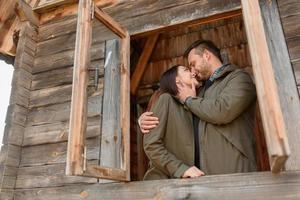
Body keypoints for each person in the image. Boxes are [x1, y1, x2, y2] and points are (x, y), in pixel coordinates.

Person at [140, 40, 257, 175]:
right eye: (189, 69)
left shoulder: (239, 78)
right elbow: (165, 95)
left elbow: (222, 110)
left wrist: (189, 100)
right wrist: (143, 119)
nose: (193, 72)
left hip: (236, 169)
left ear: (206, 55)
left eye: (193, 64)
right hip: (202, 176)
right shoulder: (198, 91)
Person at [143, 65, 205, 180]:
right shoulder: (166, 100)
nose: (193, 73)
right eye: (186, 70)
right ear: (177, 80)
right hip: (162, 184)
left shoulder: (198, 105)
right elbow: (151, 145)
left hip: (190, 185)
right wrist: (181, 169)